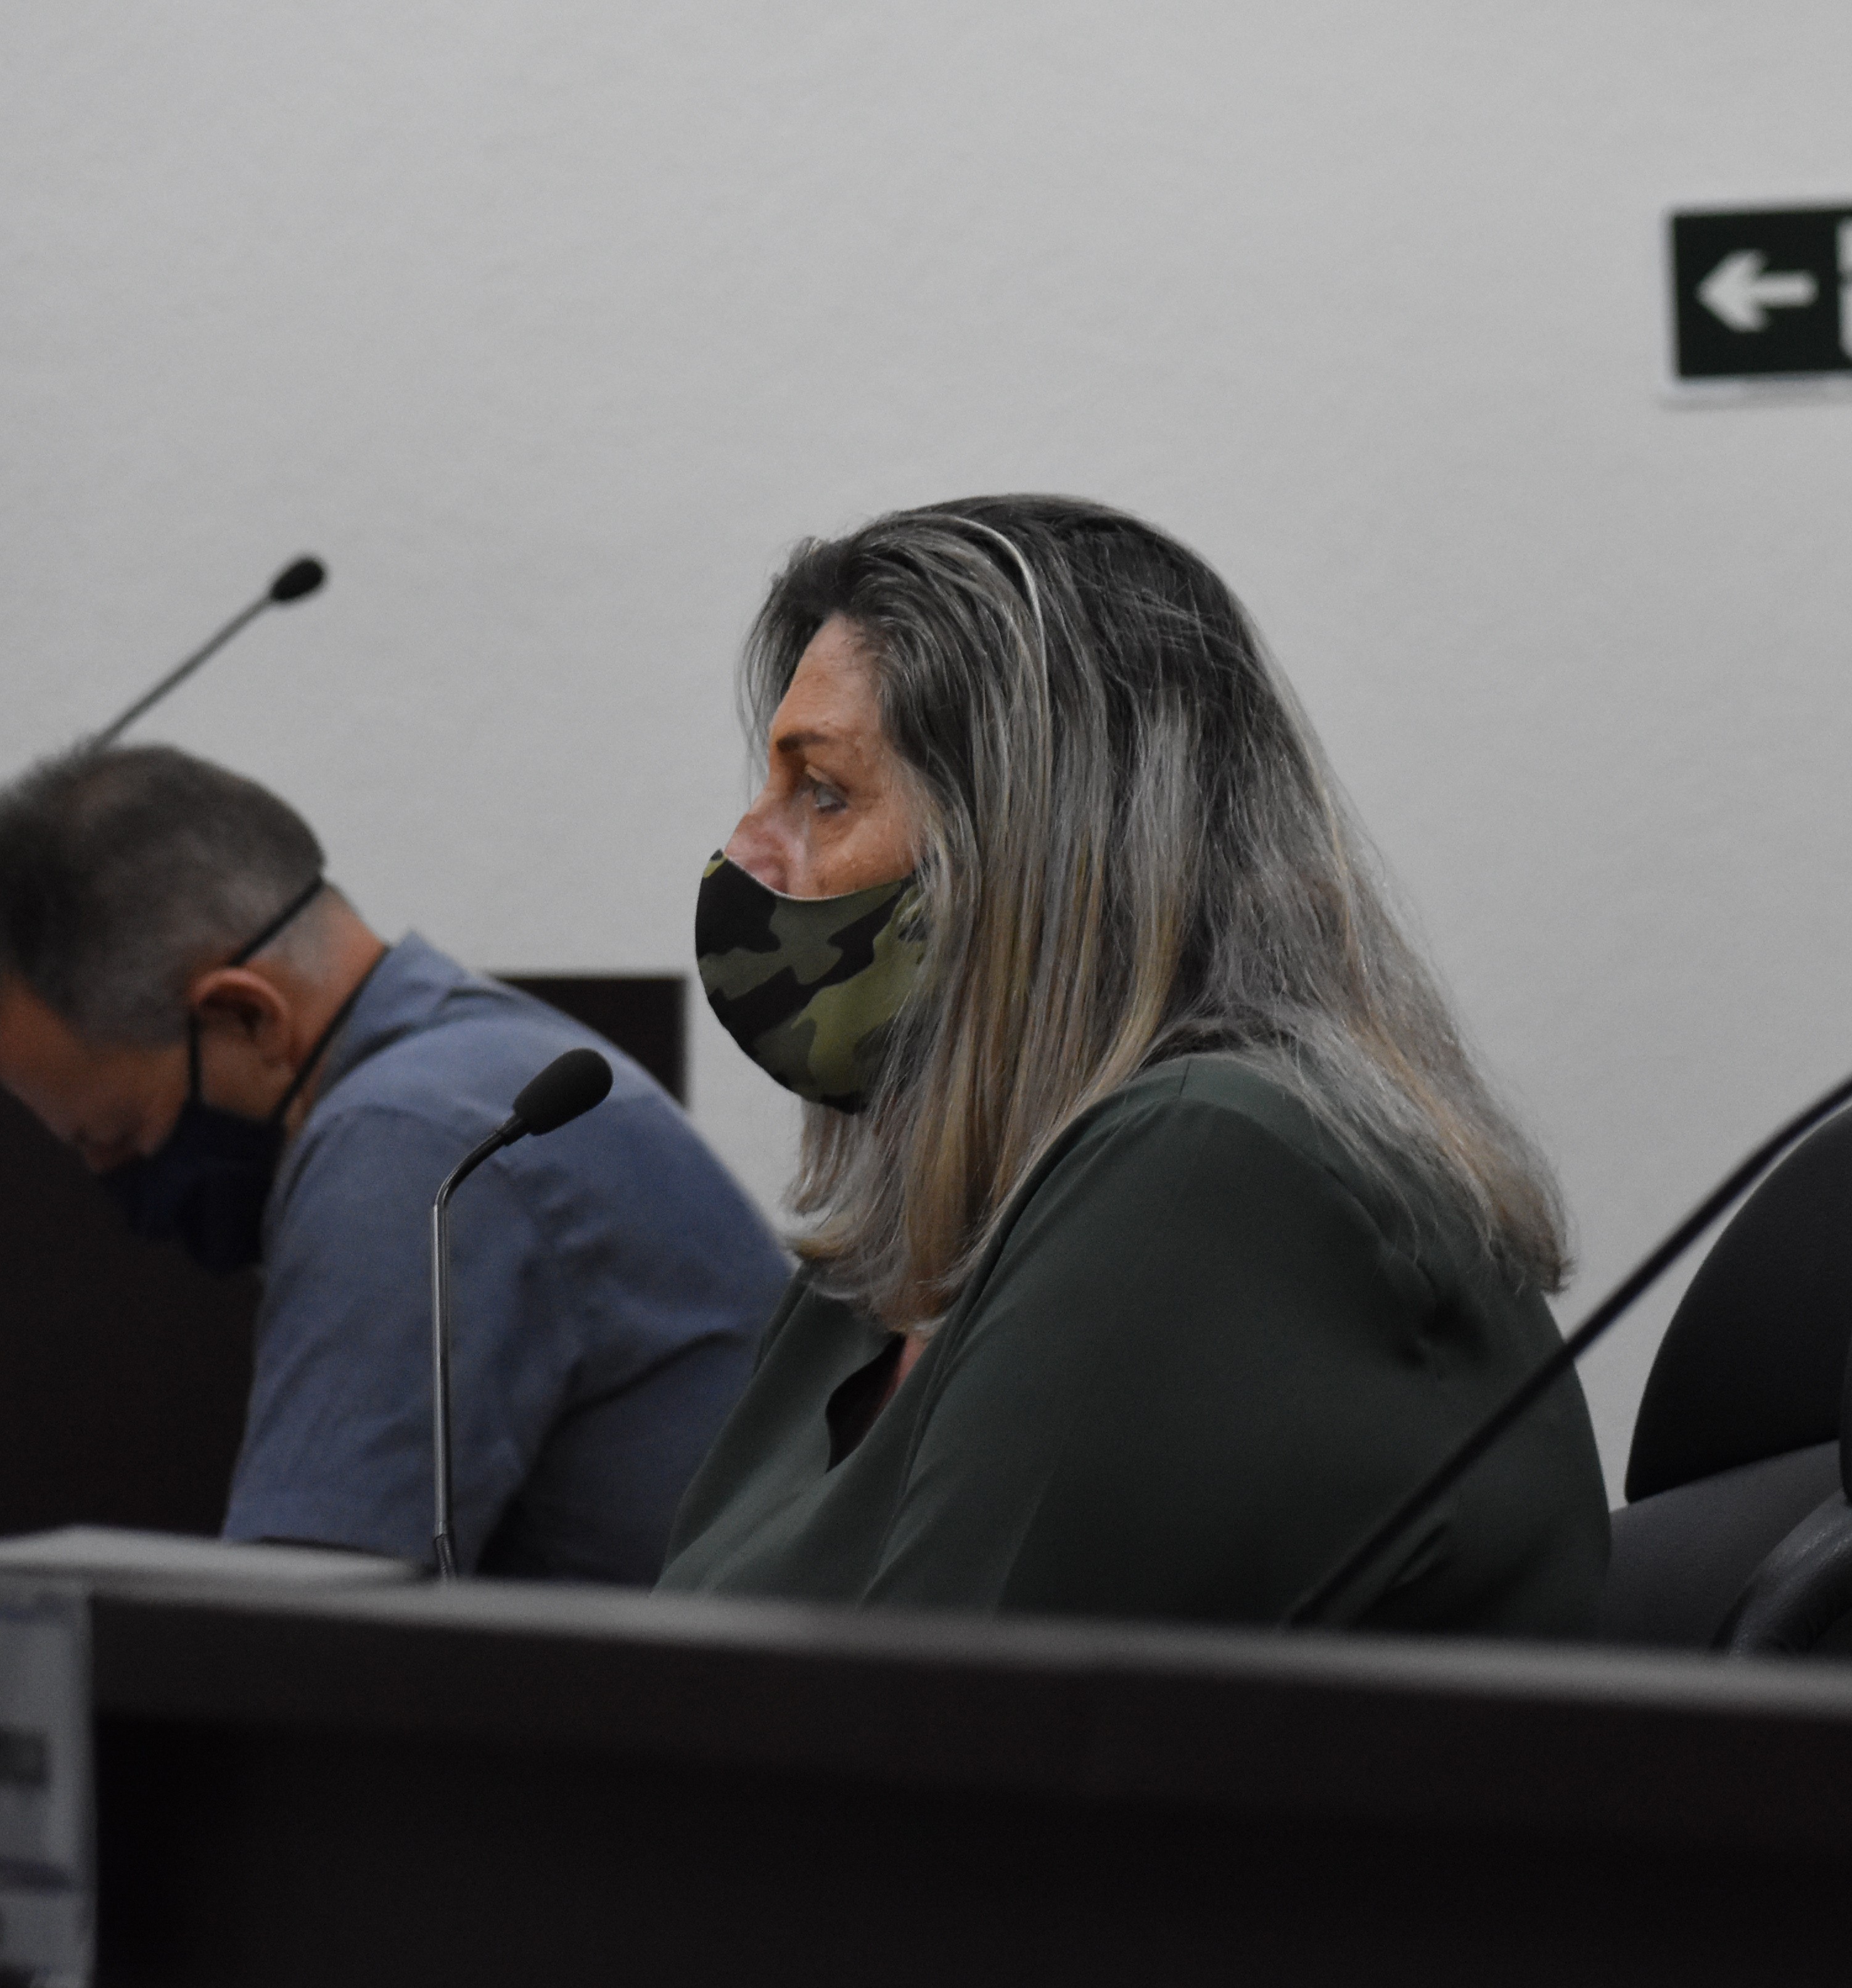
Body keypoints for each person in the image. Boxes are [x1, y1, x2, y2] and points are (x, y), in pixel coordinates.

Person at [656, 495, 1605, 1633]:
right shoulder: (899, 1246)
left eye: (824, 794)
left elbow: (930, 1724)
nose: (746, 849)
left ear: (1035, 853)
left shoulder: (1213, 1168)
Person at [0, 746, 789, 1577]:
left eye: (120, 1136)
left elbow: (296, 1636)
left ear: (249, 1016)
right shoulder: (480, 1065)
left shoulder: (411, 1144)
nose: (125, 1194)